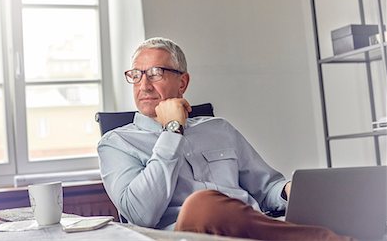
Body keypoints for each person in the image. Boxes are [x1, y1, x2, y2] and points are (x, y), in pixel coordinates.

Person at [97, 37, 353, 241]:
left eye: (155, 73)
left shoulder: (218, 128)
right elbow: (140, 215)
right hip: (183, 236)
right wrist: (172, 131)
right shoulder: (116, 143)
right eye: (136, 75)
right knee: (202, 204)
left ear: (183, 82)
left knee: (334, 201)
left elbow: (267, 188)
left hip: (251, 228)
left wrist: (289, 190)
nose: (144, 85)